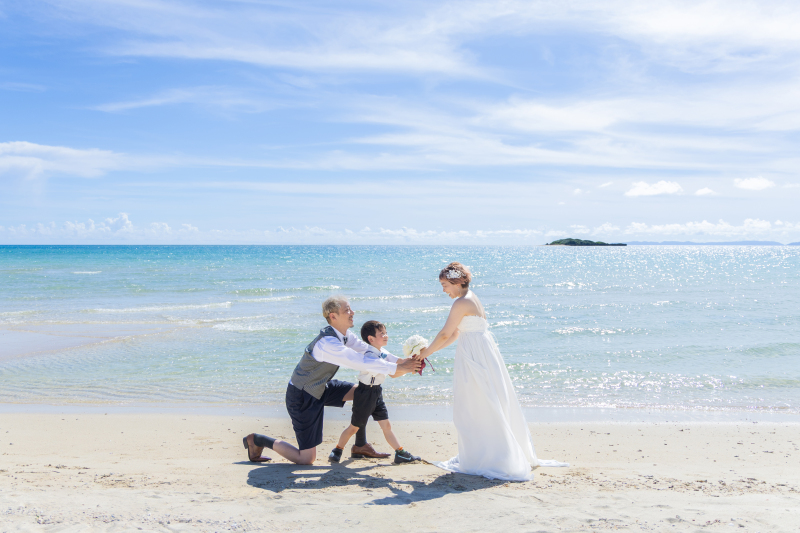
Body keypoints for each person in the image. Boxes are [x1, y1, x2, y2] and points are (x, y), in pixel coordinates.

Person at [417, 262, 568, 481]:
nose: (443, 290)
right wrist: (428, 352)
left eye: (444, 285)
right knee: (484, 401)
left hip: (474, 355)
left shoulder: (461, 302)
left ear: (457, 282)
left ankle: (491, 456)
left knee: (476, 404)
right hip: (480, 351)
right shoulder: (472, 298)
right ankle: (488, 451)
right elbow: (454, 336)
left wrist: (424, 353)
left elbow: (444, 333)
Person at [243, 296, 421, 465]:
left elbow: (368, 350)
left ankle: (360, 445)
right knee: (306, 459)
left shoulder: (345, 335)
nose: (352, 312)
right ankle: (258, 439)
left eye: (351, 308)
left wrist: (401, 361)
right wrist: (399, 369)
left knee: (364, 392)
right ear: (333, 316)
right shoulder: (328, 343)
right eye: (347, 310)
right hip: (302, 395)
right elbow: (358, 361)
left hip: (322, 387)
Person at [328, 320, 421, 465]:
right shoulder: (370, 356)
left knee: (386, 425)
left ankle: (400, 453)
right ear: (371, 339)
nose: (386, 336)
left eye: (386, 333)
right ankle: (338, 449)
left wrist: (415, 359)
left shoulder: (382, 352)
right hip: (365, 393)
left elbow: (399, 362)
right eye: (381, 334)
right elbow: (392, 371)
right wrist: (408, 368)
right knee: (354, 427)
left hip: (377, 392)